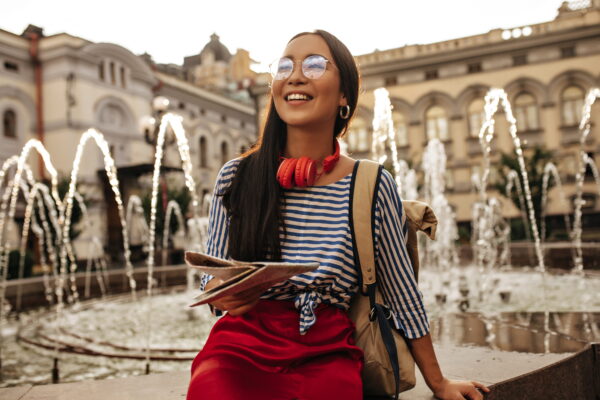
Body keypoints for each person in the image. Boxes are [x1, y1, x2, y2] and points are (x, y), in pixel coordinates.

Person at [187, 30, 490, 400]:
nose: (295, 75)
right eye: (285, 66)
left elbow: (402, 291)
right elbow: (211, 281)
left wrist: (438, 381)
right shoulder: (237, 176)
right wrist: (225, 293)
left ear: (344, 94)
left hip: (328, 349)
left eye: (314, 64)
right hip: (239, 347)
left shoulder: (371, 183)